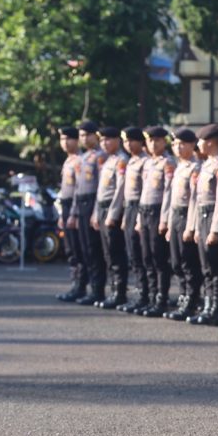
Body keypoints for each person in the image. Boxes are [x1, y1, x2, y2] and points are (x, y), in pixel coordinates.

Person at [187, 124, 218, 326]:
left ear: (211, 142)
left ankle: (217, 310)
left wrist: (215, 229)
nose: (198, 145)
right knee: (206, 267)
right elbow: (196, 199)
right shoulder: (206, 165)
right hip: (203, 216)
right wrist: (195, 226)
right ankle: (207, 306)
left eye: (201, 141)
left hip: (214, 216)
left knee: (216, 267)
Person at [135, 126, 176, 318]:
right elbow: (143, 192)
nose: (153, 144)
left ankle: (161, 298)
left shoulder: (168, 163)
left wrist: (164, 219)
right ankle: (151, 297)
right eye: (150, 140)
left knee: (159, 258)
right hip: (144, 211)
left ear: (164, 142)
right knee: (146, 257)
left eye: (157, 140)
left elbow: (168, 193)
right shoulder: (149, 163)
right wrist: (137, 217)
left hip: (157, 212)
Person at [163, 128, 203, 321]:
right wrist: (170, 224)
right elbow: (172, 199)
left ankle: (191, 301)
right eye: (175, 144)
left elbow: (195, 199)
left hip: (188, 215)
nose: (178, 148)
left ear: (192, 145)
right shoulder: (180, 166)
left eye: (182, 144)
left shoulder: (195, 168)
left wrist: (191, 226)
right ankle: (182, 298)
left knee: (188, 263)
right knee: (177, 262)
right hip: (176, 216)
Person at [92, 126, 130, 310]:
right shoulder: (108, 160)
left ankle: (119, 292)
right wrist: (95, 213)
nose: (104, 143)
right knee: (107, 253)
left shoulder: (122, 161)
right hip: (102, 208)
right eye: (101, 140)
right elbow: (100, 191)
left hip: (112, 210)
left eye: (108, 139)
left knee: (115, 253)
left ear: (117, 140)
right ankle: (112, 290)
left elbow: (120, 189)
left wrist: (113, 214)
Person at [69, 121, 106, 305]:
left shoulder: (101, 157)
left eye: (87, 135)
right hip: (81, 202)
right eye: (81, 135)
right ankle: (85, 287)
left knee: (94, 248)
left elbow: (101, 187)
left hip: (93, 201)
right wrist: (73, 213)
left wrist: (97, 211)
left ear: (95, 136)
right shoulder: (82, 158)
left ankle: (98, 289)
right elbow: (76, 187)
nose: (84, 139)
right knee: (84, 249)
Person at [117, 127, 150, 314]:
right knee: (132, 254)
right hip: (129, 208)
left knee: (141, 253)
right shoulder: (132, 161)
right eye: (125, 141)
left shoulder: (145, 162)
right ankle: (139, 293)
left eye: (131, 141)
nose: (128, 144)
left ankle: (145, 294)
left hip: (140, 207)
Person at [55, 127, 85, 302]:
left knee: (78, 248)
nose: (65, 143)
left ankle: (81, 285)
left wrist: (73, 213)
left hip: (77, 207)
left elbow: (78, 190)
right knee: (70, 249)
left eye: (69, 139)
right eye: (62, 139)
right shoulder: (68, 161)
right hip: (66, 207)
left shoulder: (80, 161)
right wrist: (62, 214)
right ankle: (75, 283)